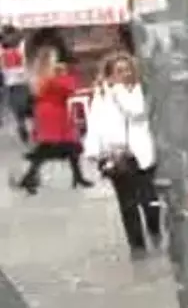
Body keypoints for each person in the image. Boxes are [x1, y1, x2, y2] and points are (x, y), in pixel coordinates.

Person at [83, 53, 161, 259]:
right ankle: (137, 247)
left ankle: (156, 231)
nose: (125, 74)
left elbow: (140, 113)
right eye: (119, 71)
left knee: (150, 201)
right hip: (117, 155)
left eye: (127, 69)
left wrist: (120, 96)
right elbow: (95, 124)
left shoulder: (143, 91)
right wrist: (95, 151)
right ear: (110, 75)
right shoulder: (102, 95)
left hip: (144, 152)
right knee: (128, 204)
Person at [14, 47, 92, 194]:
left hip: (48, 112)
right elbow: (69, 88)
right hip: (55, 113)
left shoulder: (40, 77)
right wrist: (66, 75)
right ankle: (29, 177)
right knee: (55, 145)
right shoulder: (52, 77)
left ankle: (77, 176)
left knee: (65, 144)